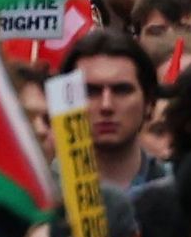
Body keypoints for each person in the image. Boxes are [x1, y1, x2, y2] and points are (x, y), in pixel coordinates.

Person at [59, 30, 166, 192]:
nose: (106, 105)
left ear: (149, 103)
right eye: (90, 92)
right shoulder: (40, 198)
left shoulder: (180, 193)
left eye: (121, 90)